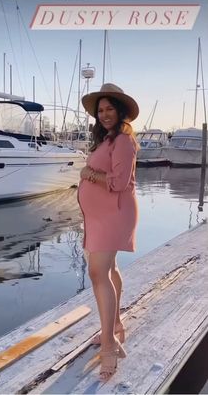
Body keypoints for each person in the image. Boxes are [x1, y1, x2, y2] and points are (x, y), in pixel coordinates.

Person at [78, 83, 139, 381]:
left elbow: (117, 183)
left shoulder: (124, 141)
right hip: (101, 216)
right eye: (100, 110)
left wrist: (88, 174)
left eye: (109, 109)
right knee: (109, 269)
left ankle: (109, 347)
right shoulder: (107, 140)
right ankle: (114, 327)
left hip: (115, 214)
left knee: (97, 273)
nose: (104, 114)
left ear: (120, 110)